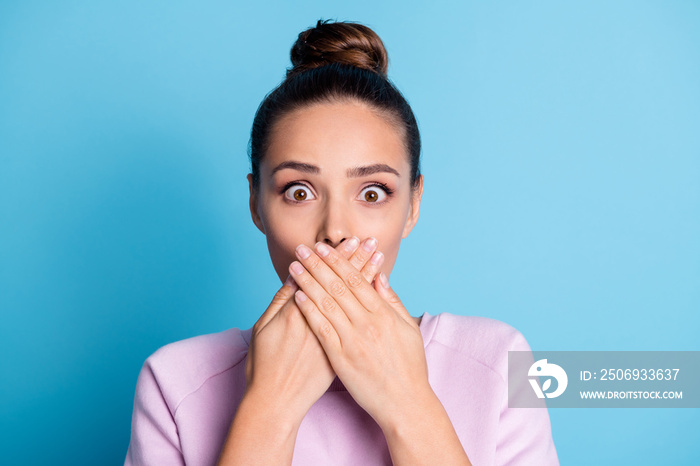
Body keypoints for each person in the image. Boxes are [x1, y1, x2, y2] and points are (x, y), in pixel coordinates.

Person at [125, 19, 559, 466]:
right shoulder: (173, 381)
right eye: (299, 191)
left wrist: (407, 403)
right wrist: (268, 409)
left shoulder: (501, 362)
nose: (335, 230)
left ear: (412, 206)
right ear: (256, 205)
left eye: (372, 193)